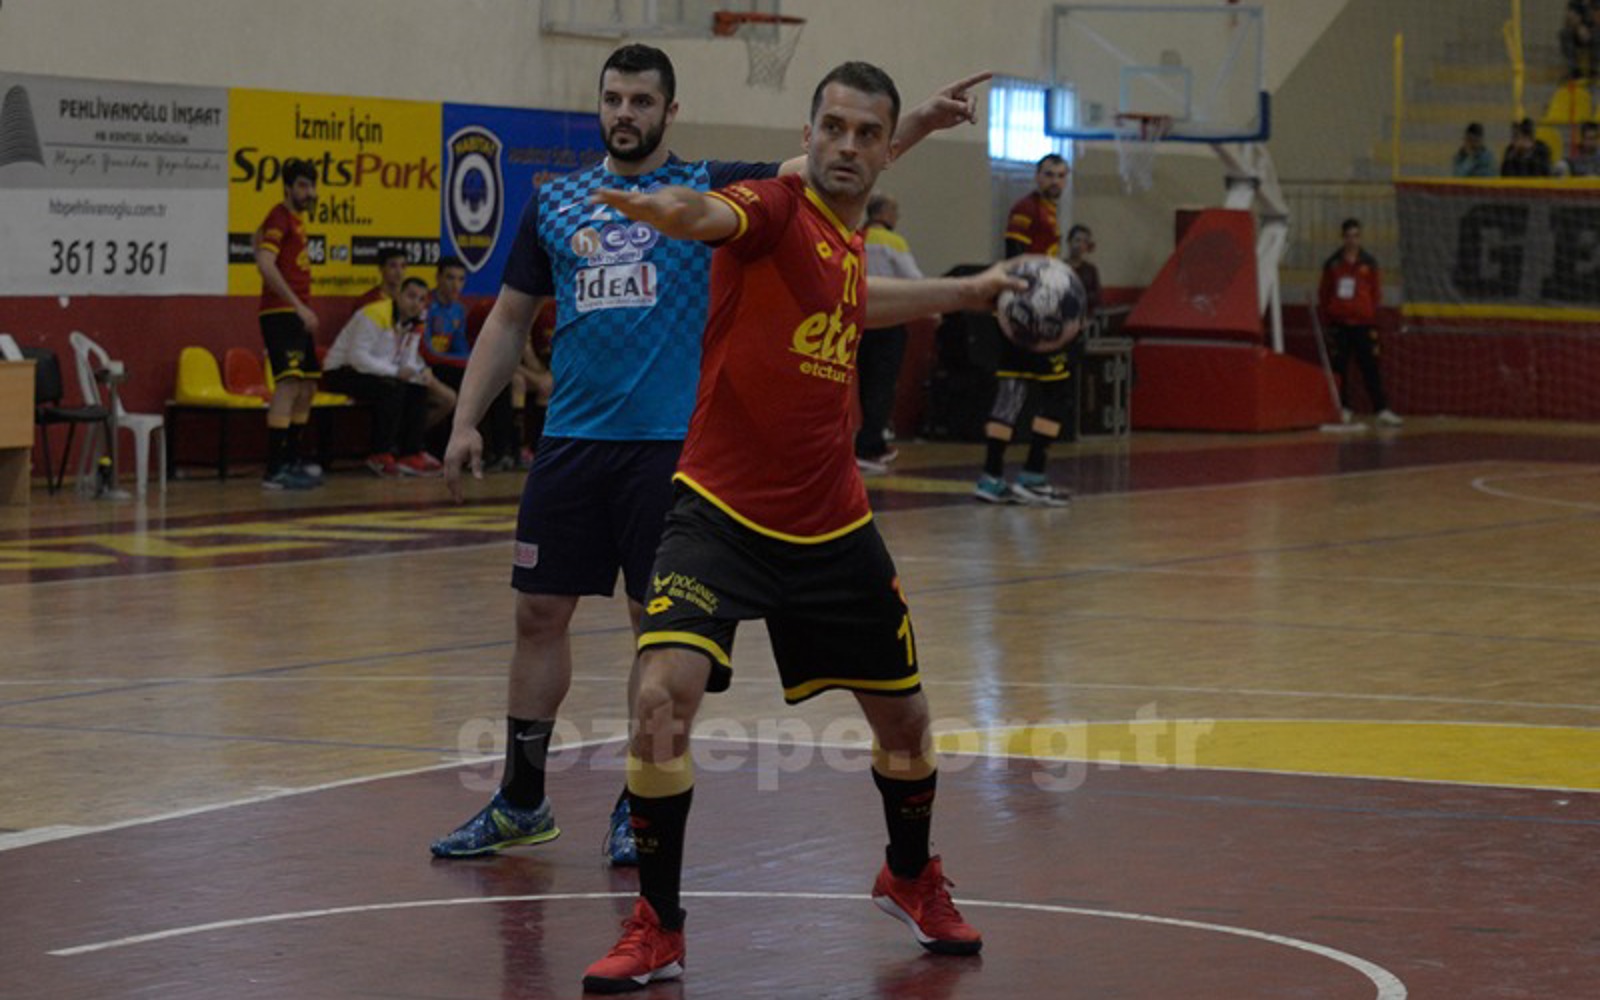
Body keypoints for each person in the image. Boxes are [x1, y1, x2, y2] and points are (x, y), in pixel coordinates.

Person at [428, 43, 991, 867]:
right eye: (613, 99)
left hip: (672, 451)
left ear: (670, 111)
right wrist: (465, 420)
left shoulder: (720, 185)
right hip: (572, 444)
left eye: (641, 101)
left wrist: (923, 123)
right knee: (537, 616)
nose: (625, 113)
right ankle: (520, 800)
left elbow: (833, 163)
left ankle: (636, 809)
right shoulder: (556, 201)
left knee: (651, 632)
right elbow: (511, 319)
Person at [581, 60, 1015, 993]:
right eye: (833, 128)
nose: (846, 146)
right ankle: (658, 925)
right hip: (719, 513)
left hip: (830, 523)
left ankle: (909, 875)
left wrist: (967, 290)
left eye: (868, 133)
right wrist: (662, 210)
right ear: (806, 133)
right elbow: (706, 214)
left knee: (907, 724)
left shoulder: (847, 242)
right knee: (660, 698)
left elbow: (854, 306)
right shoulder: (774, 210)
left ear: (883, 149)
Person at [975, 153, 1075, 506]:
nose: (1055, 181)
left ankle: (992, 477)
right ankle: (1031, 475)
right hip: (1030, 317)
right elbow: (1015, 256)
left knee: (1013, 393)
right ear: (1037, 176)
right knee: (1054, 392)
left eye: (1061, 175)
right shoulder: (1026, 209)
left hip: (1028, 314)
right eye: (1049, 174)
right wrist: (1028, 303)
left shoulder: (1048, 211)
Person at [322, 276, 445, 475]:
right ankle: (380, 454)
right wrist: (396, 372)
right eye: (411, 296)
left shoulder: (417, 321)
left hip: (378, 373)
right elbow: (357, 357)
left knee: (417, 388)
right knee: (391, 389)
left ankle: (410, 453)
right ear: (398, 295)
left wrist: (418, 373)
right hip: (341, 371)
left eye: (422, 299)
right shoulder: (374, 314)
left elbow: (408, 357)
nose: (416, 303)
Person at [253, 157, 323, 491]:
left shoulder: (294, 220)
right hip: (281, 313)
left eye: (312, 185)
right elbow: (265, 263)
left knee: (308, 386)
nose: (309, 192)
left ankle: (292, 459)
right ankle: (274, 469)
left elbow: (256, 241)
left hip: (296, 314)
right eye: (303, 186)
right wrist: (297, 306)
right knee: (288, 384)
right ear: (288, 187)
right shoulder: (279, 217)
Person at [423, 256, 519, 469]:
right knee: (472, 380)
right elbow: (427, 352)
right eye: (450, 278)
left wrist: (475, 364)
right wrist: (467, 363)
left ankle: (502, 453)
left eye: (460, 279)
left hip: (451, 366)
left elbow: (461, 348)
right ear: (438, 278)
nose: (455, 285)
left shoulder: (458, 310)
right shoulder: (426, 305)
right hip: (429, 367)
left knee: (498, 381)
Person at [855, 192, 922, 473]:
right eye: (895, 211)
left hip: (859, 321)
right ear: (883, 213)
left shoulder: (856, 236)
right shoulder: (893, 242)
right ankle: (869, 447)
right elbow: (914, 279)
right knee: (882, 385)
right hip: (888, 321)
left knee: (863, 385)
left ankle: (870, 443)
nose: (897, 216)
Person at [1318, 218, 1402, 428]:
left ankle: (1381, 409)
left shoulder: (1369, 263)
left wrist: (1369, 315)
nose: (1352, 240)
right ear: (1343, 238)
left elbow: (1376, 292)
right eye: (1348, 236)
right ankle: (1344, 408)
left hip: (1363, 324)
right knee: (1340, 368)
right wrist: (1329, 318)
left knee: (1370, 367)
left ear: (1360, 237)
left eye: (1356, 236)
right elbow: (1324, 293)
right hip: (1339, 324)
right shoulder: (1332, 264)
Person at [1561, 1, 1599, 80]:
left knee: (1597, 35)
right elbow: (1569, 19)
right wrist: (1578, 27)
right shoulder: (1575, 3)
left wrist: (1590, 30)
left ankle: (1593, 71)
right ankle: (1575, 71)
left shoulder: (1596, 3)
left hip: (1593, 33)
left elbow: (1596, 20)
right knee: (1565, 33)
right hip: (1577, 33)